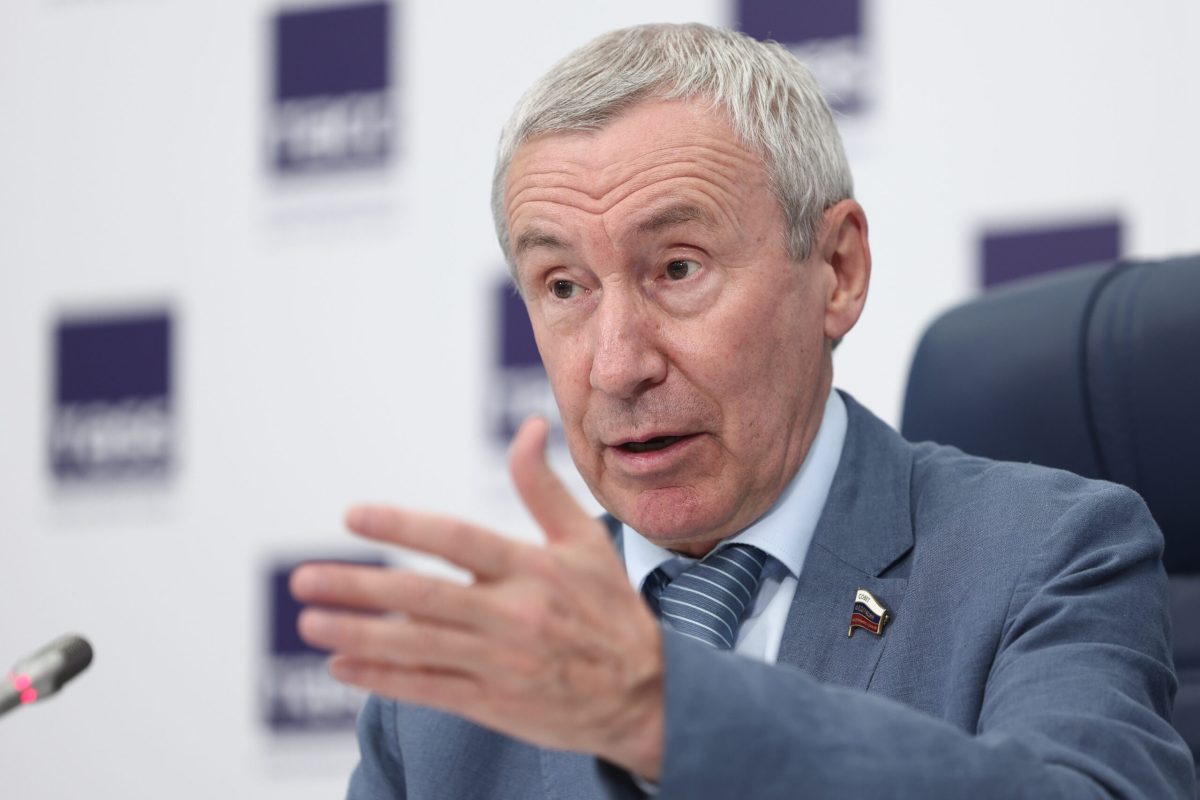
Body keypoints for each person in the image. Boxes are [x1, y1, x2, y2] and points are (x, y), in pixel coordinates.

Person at [289, 23, 1196, 798]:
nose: (617, 365)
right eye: (563, 285)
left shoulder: (1050, 555)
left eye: (678, 268)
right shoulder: (442, 700)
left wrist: (669, 713)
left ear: (837, 270)